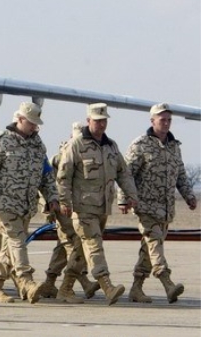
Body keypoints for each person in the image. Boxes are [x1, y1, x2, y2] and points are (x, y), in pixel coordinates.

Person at [56, 102, 139, 305]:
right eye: (97, 121)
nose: (101, 125)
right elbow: (63, 176)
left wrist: (131, 195)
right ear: (88, 121)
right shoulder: (76, 145)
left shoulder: (111, 146)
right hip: (82, 208)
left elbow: (123, 173)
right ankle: (107, 285)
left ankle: (65, 289)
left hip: (102, 208)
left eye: (104, 121)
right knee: (94, 246)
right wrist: (64, 201)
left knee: (80, 249)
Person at [0, 102, 59, 304]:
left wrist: (52, 197)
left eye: (36, 124)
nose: (34, 127)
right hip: (6, 204)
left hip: (27, 206)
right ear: (20, 119)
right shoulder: (1, 141)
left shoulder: (37, 144)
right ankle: (26, 281)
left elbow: (46, 174)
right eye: (31, 123)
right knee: (17, 241)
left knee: (7, 248)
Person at [121, 103, 197, 304]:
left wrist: (189, 196)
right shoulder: (141, 144)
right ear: (152, 121)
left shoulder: (174, 147)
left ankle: (136, 289)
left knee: (148, 250)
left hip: (165, 209)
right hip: (145, 206)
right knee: (155, 244)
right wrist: (124, 200)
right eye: (162, 119)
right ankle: (167, 283)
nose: (166, 123)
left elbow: (180, 174)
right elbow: (126, 174)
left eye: (169, 120)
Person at [41, 122, 100, 303]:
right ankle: (79, 283)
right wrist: (50, 208)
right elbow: (49, 182)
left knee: (64, 244)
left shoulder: (88, 153)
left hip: (78, 207)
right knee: (76, 243)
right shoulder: (61, 156)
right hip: (62, 207)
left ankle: (50, 283)